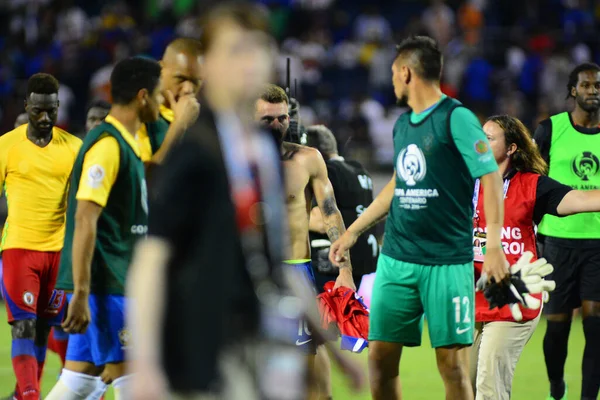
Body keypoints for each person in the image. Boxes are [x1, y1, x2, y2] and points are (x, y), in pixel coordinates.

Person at [329, 35, 508, 400]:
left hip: (446, 263)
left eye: (394, 72)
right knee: (379, 359)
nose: (391, 80)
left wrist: (493, 247)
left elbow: (490, 177)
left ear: (406, 72)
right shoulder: (402, 126)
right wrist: (351, 233)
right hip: (396, 259)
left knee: (452, 367)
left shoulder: (456, 118)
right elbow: (397, 186)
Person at [45, 56, 163, 400]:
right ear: (143, 96)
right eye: (159, 95)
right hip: (105, 284)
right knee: (135, 382)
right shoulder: (107, 146)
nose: (162, 104)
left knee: (80, 381)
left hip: (111, 280)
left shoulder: (130, 141)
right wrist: (81, 294)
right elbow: (84, 219)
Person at [471, 114, 600, 400]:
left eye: (489, 138)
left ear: (512, 148)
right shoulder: (468, 181)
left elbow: (580, 200)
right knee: (463, 386)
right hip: (472, 294)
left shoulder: (532, 185)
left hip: (515, 293)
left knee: (489, 389)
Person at [0, 73, 82, 400]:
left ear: (58, 106)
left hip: (59, 255)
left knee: (45, 329)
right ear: (26, 107)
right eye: (37, 111)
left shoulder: (75, 148)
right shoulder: (6, 145)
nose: (45, 118)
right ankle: (32, 395)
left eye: (51, 111)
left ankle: (23, 394)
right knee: (23, 324)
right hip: (20, 248)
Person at [534, 62, 600, 400]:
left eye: (598, 85)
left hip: (598, 245)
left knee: (595, 326)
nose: (593, 91)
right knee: (557, 329)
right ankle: (556, 384)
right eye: (586, 85)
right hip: (558, 242)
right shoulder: (550, 130)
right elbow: (531, 182)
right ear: (573, 90)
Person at [305, 124, 379, 399]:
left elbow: (326, 219)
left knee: (313, 339)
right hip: (366, 262)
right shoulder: (358, 168)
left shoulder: (329, 172)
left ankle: (323, 395)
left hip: (333, 264)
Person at [136, 37, 202, 165]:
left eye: (196, 82)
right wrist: (179, 125)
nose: (188, 89)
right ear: (161, 70)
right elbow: (145, 180)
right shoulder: (141, 115)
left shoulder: (210, 119)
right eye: (180, 79)